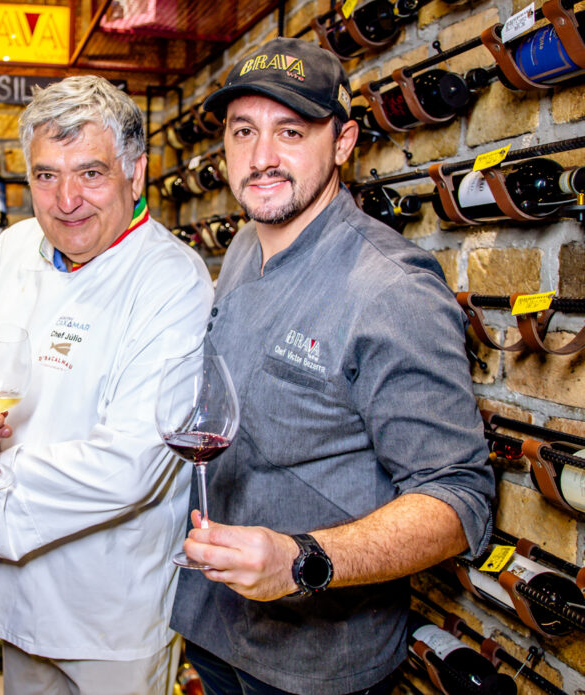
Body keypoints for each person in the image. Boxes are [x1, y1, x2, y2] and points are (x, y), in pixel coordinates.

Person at [170, 37, 495, 695]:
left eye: (290, 131)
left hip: (313, 664)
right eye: (243, 131)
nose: (261, 158)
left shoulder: (389, 288)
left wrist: (303, 561)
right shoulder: (241, 245)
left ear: (343, 142)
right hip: (212, 627)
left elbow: (460, 498)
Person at [0, 75, 214, 695]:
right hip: (13, 585)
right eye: (46, 176)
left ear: (135, 173)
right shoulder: (14, 247)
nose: (65, 200)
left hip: (107, 607)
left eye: (90, 173)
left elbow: (133, 463)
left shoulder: (172, 280)